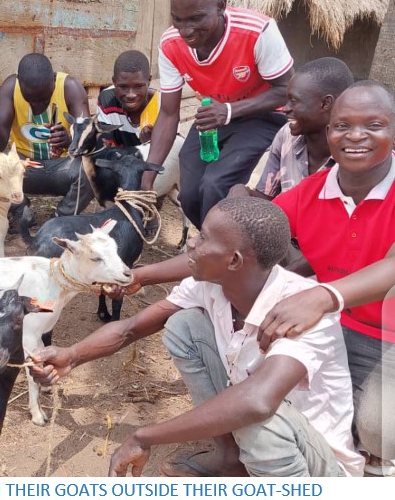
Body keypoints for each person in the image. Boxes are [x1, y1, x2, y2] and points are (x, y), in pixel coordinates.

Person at [31, 196, 363, 477]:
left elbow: (257, 402)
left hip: (317, 465)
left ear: (233, 261)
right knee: (184, 325)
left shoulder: (303, 311)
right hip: (263, 432)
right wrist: (72, 355)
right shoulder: (209, 285)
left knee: (256, 416)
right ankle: (230, 458)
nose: (191, 242)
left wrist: (145, 437)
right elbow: (131, 329)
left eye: (203, 238)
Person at [267, 81, 395, 476]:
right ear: (328, 132)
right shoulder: (309, 193)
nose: (355, 136)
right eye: (343, 126)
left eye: (373, 125)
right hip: (337, 327)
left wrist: (321, 296)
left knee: (380, 432)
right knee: (257, 383)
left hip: (389, 337)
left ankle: (375, 468)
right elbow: (247, 234)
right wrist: (143, 273)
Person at [147, 0, 294, 229]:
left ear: (221, 5)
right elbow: (167, 113)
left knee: (216, 183)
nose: (185, 30)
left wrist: (229, 111)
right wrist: (148, 180)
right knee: (190, 193)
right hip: (215, 112)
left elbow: (286, 90)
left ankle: (216, 252)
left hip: (264, 114)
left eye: (196, 18)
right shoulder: (170, 44)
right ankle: (212, 242)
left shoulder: (257, 31)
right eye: (177, 19)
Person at [0, 53, 94, 217]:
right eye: (30, 99)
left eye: (44, 98)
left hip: (63, 167)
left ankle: (62, 217)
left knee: (93, 168)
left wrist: (69, 141)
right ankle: (21, 211)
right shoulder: (11, 87)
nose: (37, 104)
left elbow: (89, 140)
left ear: (53, 80)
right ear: (19, 83)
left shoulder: (70, 87)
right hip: (24, 170)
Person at [231, 57, 354, 199]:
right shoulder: (286, 135)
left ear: (325, 103)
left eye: (294, 101)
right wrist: (239, 191)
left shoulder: (355, 153)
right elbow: (265, 199)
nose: (285, 109)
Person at [96, 50, 160, 148]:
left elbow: (170, 154)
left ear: (149, 81)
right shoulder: (107, 101)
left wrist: (151, 145)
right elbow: (107, 150)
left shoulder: (163, 106)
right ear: (114, 82)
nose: (131, 95)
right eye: (123, 87)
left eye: (138, 86)